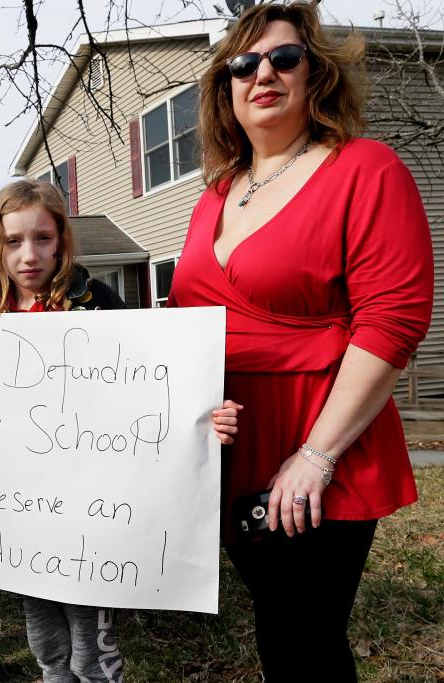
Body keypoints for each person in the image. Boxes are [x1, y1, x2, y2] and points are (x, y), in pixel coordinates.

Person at [0, 180, 240, 683]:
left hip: (91, 514)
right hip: (24, 522)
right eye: (13, 241)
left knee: (91, 647)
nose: (29, 255)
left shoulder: (99, 303)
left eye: (42, 238)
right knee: (46, 643)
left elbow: (155, 382)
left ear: (62, 240)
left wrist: (204, 417)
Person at [167, 3, 433, 680]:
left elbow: (393, 318)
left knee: (297, 641)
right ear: (224, 89)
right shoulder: (213, 196)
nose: (264, 73)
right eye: (243, 64)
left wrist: (317, 454)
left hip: (320, 440)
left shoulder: (363, 168)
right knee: (287, 637)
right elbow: (179, 325)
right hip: (232, 448)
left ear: (316, 76)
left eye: (285, 58)